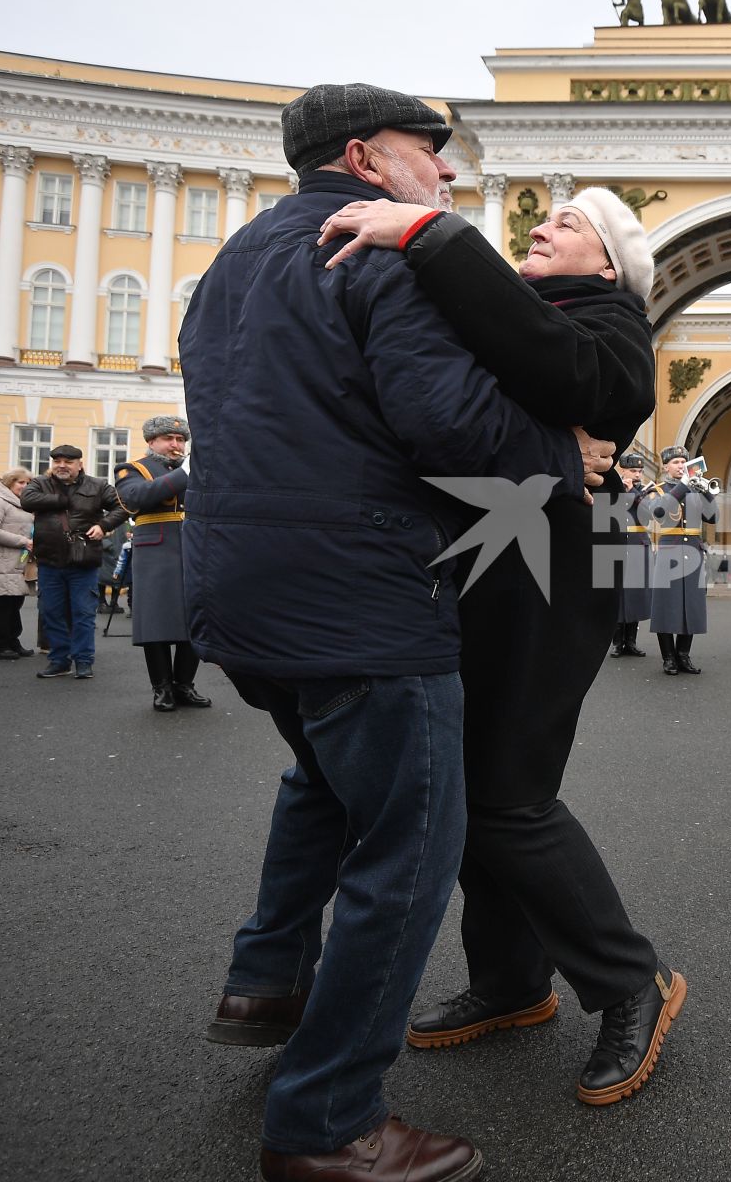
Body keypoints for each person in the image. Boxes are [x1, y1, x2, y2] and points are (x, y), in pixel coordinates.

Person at [187, 82, 616, 1181]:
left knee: (323, 779)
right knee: (414, 843)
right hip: (363, 591)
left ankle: (267, 977)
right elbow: (450, 423)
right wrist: (564, 453)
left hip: (237, 588)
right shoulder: (383, 255)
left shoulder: (231, 262)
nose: (449, 173)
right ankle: (326, 1116)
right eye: (432, 153)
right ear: (368, 160)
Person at [317, 180, 683, 1110]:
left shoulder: (608, 315)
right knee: (471, 785)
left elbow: (587, 381)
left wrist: (433, 232)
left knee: (512, 794)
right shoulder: (504, 310)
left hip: (556, 565)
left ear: (608, 262)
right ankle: (513, 979)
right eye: (542, 215)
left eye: (567, 223)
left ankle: (629, 979)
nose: (540, 225)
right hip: (483, 558)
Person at [113, 416, 208, 711]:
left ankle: (184, 684)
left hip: (194, 548)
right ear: (152, 441)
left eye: (180, 440)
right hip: (155, 550)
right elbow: (136, 498)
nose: (175, 445)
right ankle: (162, 688)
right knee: (155, 623)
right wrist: (185, 473)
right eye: (169, 439)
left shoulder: (197, 469)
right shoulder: (133, 469)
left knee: (193, 620)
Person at [19, 445, 128, 682]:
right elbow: (27, 500)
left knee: (83, 614)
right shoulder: (40, 484)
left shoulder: (97, 485)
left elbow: (122, 507)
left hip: (83, 561)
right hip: (49, 560)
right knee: (51, 612)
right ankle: (59, 660)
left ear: (79, 463)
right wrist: (62, 499)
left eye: (68, 461)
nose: (62, 465)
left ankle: (83, 661)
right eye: (57, 460)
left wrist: (103, 526)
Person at [647, 447, 713, 675]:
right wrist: (683, 485)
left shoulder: (696, 490)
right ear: (665, 466)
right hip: (669, 552)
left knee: (691, 605)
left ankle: (683, 655)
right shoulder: (656, 490)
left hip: (693, 550)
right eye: (675, 462)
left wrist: (706, 492)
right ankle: (668, 657)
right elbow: (658, 511)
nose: (681, 465)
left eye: (684, 461)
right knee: (666, 605)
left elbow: (713, 517)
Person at [0, 468, 34, 660]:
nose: (25, 486)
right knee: (1, 604)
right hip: (1, 561)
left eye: (28, 483)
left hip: (19, 562)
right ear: (9, 483)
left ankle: (12, 641)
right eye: (20, 482)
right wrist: (23, 541)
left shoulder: (23, 504)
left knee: (14, 603)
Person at [607, 453, 651, 658]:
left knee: (634, 595)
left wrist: (633, 491)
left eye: (640, 472)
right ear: (622, 470)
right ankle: (617, 642)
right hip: (616, 546)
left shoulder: (644, 491)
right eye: (633, 471)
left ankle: (631, 641)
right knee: (618, 594)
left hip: (637, 546)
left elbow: (648, 516)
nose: (637, 475)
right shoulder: (611, 488)